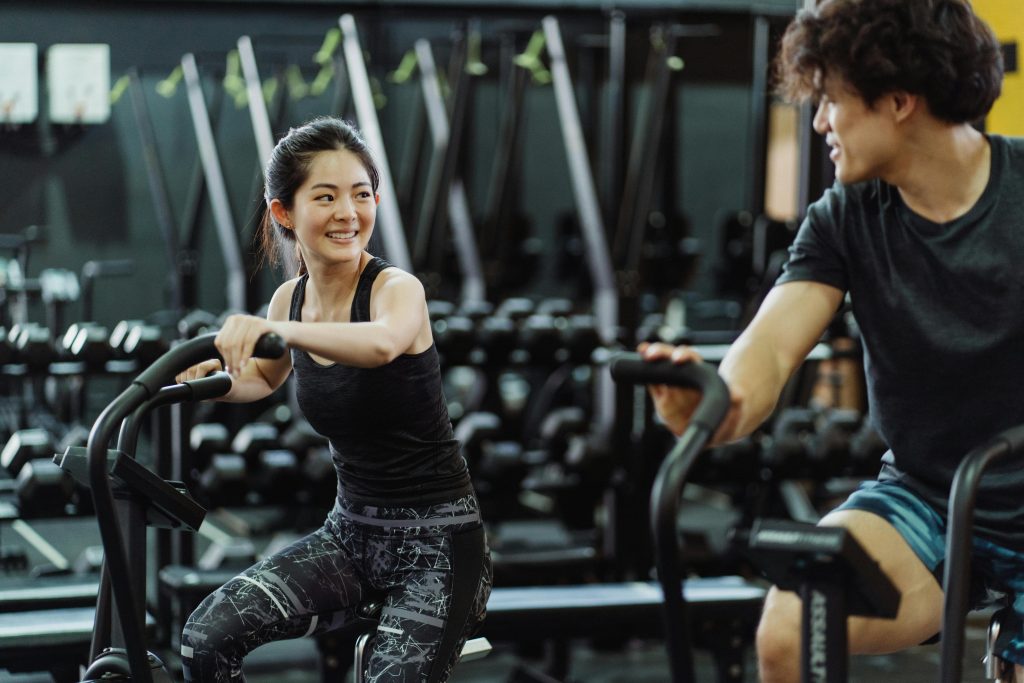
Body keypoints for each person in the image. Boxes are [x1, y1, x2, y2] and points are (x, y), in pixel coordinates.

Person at [640, 1, 1024, 681]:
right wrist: (707, 409)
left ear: (900, 101)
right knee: (793, 623)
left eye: (832, 102)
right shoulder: (845, 218)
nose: (819, 123)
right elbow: (768, 353)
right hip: (929, 500)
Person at [175, 116, 492, 683]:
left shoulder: (397, 290)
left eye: (361, 194)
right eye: (326, 197)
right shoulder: (287, 300)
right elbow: (263, 379)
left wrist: (284, 335)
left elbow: (380, 344)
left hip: (438, 546)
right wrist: (212, 381)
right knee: (206, 639)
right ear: (284, 213)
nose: (349, 213)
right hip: (349, 535)